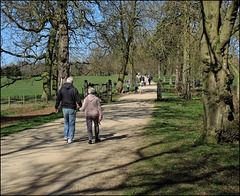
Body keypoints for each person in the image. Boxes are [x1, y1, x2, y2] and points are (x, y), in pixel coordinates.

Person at [55, 77, 82, 144]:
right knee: (71, 123)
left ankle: (65, 136)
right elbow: (78, 99)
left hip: (64, 108)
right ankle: (70, 138)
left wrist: (56, 106)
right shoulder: (74, 90)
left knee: (66, 122)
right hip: (72, 108)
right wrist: (81, 106)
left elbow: (58, 99)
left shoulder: (62, 89)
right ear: (72, 82)